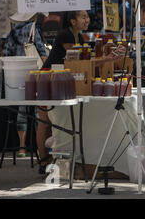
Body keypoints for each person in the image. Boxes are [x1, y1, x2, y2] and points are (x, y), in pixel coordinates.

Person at [40, 10, 125, 174]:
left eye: (87, 17)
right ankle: (44, 162)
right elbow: (79, 60)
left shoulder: (78, 36)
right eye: (83, 17)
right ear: (72, 21)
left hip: (61, 78)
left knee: (51, 121)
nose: (87, 20)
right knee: (44, 122)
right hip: (48, 77)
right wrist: (106, 59)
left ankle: (53, 160)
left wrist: (105, 59)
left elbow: (83, 62)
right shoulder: (66, 35)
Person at [3, 12, 48, 158]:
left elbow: (6, 54)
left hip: (16, 76)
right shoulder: (34, 28)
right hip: (33, 74)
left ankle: (21, 148)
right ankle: (39, 149)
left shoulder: (13, 31)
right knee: (37, 112)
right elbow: (41, 50)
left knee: (21, 111)